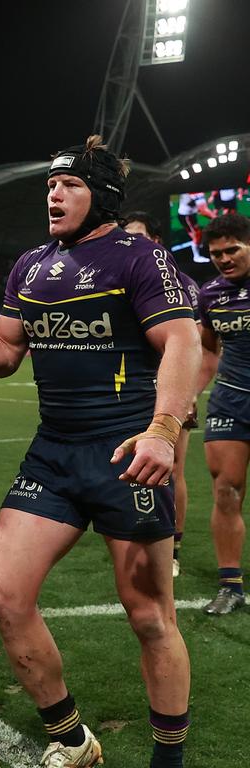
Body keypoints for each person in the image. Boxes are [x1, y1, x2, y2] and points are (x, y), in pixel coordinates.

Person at [0, 135, 199, 768]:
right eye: (50, 185)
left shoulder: (139, 257)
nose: (54, 193)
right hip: (54, 454)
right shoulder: (31, 265)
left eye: (69, 184)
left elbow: (181, 342)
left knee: (150, 616)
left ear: (101, 195)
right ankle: (72, 739)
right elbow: (8, 353)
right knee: (5, 597)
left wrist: (163, 430)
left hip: (127, 452)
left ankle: (169, 760)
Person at [121, 211, 201, 578]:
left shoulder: (181, 284)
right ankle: (134, 538)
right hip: (130, 390)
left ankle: (173, 546)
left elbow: (193, 343)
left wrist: (189, 393)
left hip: (170, 393)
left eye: (138, 237)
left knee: (172, 470)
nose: (129, 245)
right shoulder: (118, 281)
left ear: (156, 241)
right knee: (128, 469)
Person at [193, 212, 250, 615]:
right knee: (226, 489)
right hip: (231, 398)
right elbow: (208, 350)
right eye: (216, 254)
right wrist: (188, 394)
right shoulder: (210, 294)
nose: (224, 259)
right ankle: (230, 586)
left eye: (233, 250)